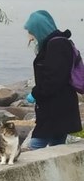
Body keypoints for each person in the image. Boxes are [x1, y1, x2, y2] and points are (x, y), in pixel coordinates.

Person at [24, 10, 82, 149]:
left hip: (56, 108)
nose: (30, 37)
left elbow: (53, 78)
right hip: (59, 107)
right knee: (57, 146)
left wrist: (35, 93)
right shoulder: (55, 43)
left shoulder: (57, 45)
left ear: (39, 29)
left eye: (31, 32)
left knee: (35, 146)